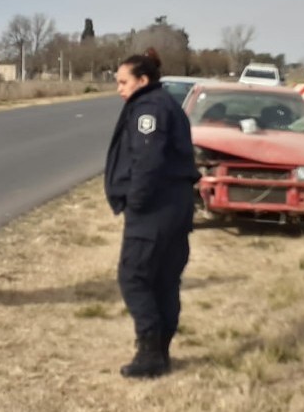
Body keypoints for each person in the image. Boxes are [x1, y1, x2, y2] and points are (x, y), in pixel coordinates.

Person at [104, 48, 201, 378]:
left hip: (156, 208)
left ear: (142, 80)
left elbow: (148, 160)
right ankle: (160, 353)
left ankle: (149, 350)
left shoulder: (150, 107)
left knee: (133, 276)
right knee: (163, 281)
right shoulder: (162, 102)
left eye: (123, 82)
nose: (119, 89)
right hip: (173, 205)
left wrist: (137, 202)